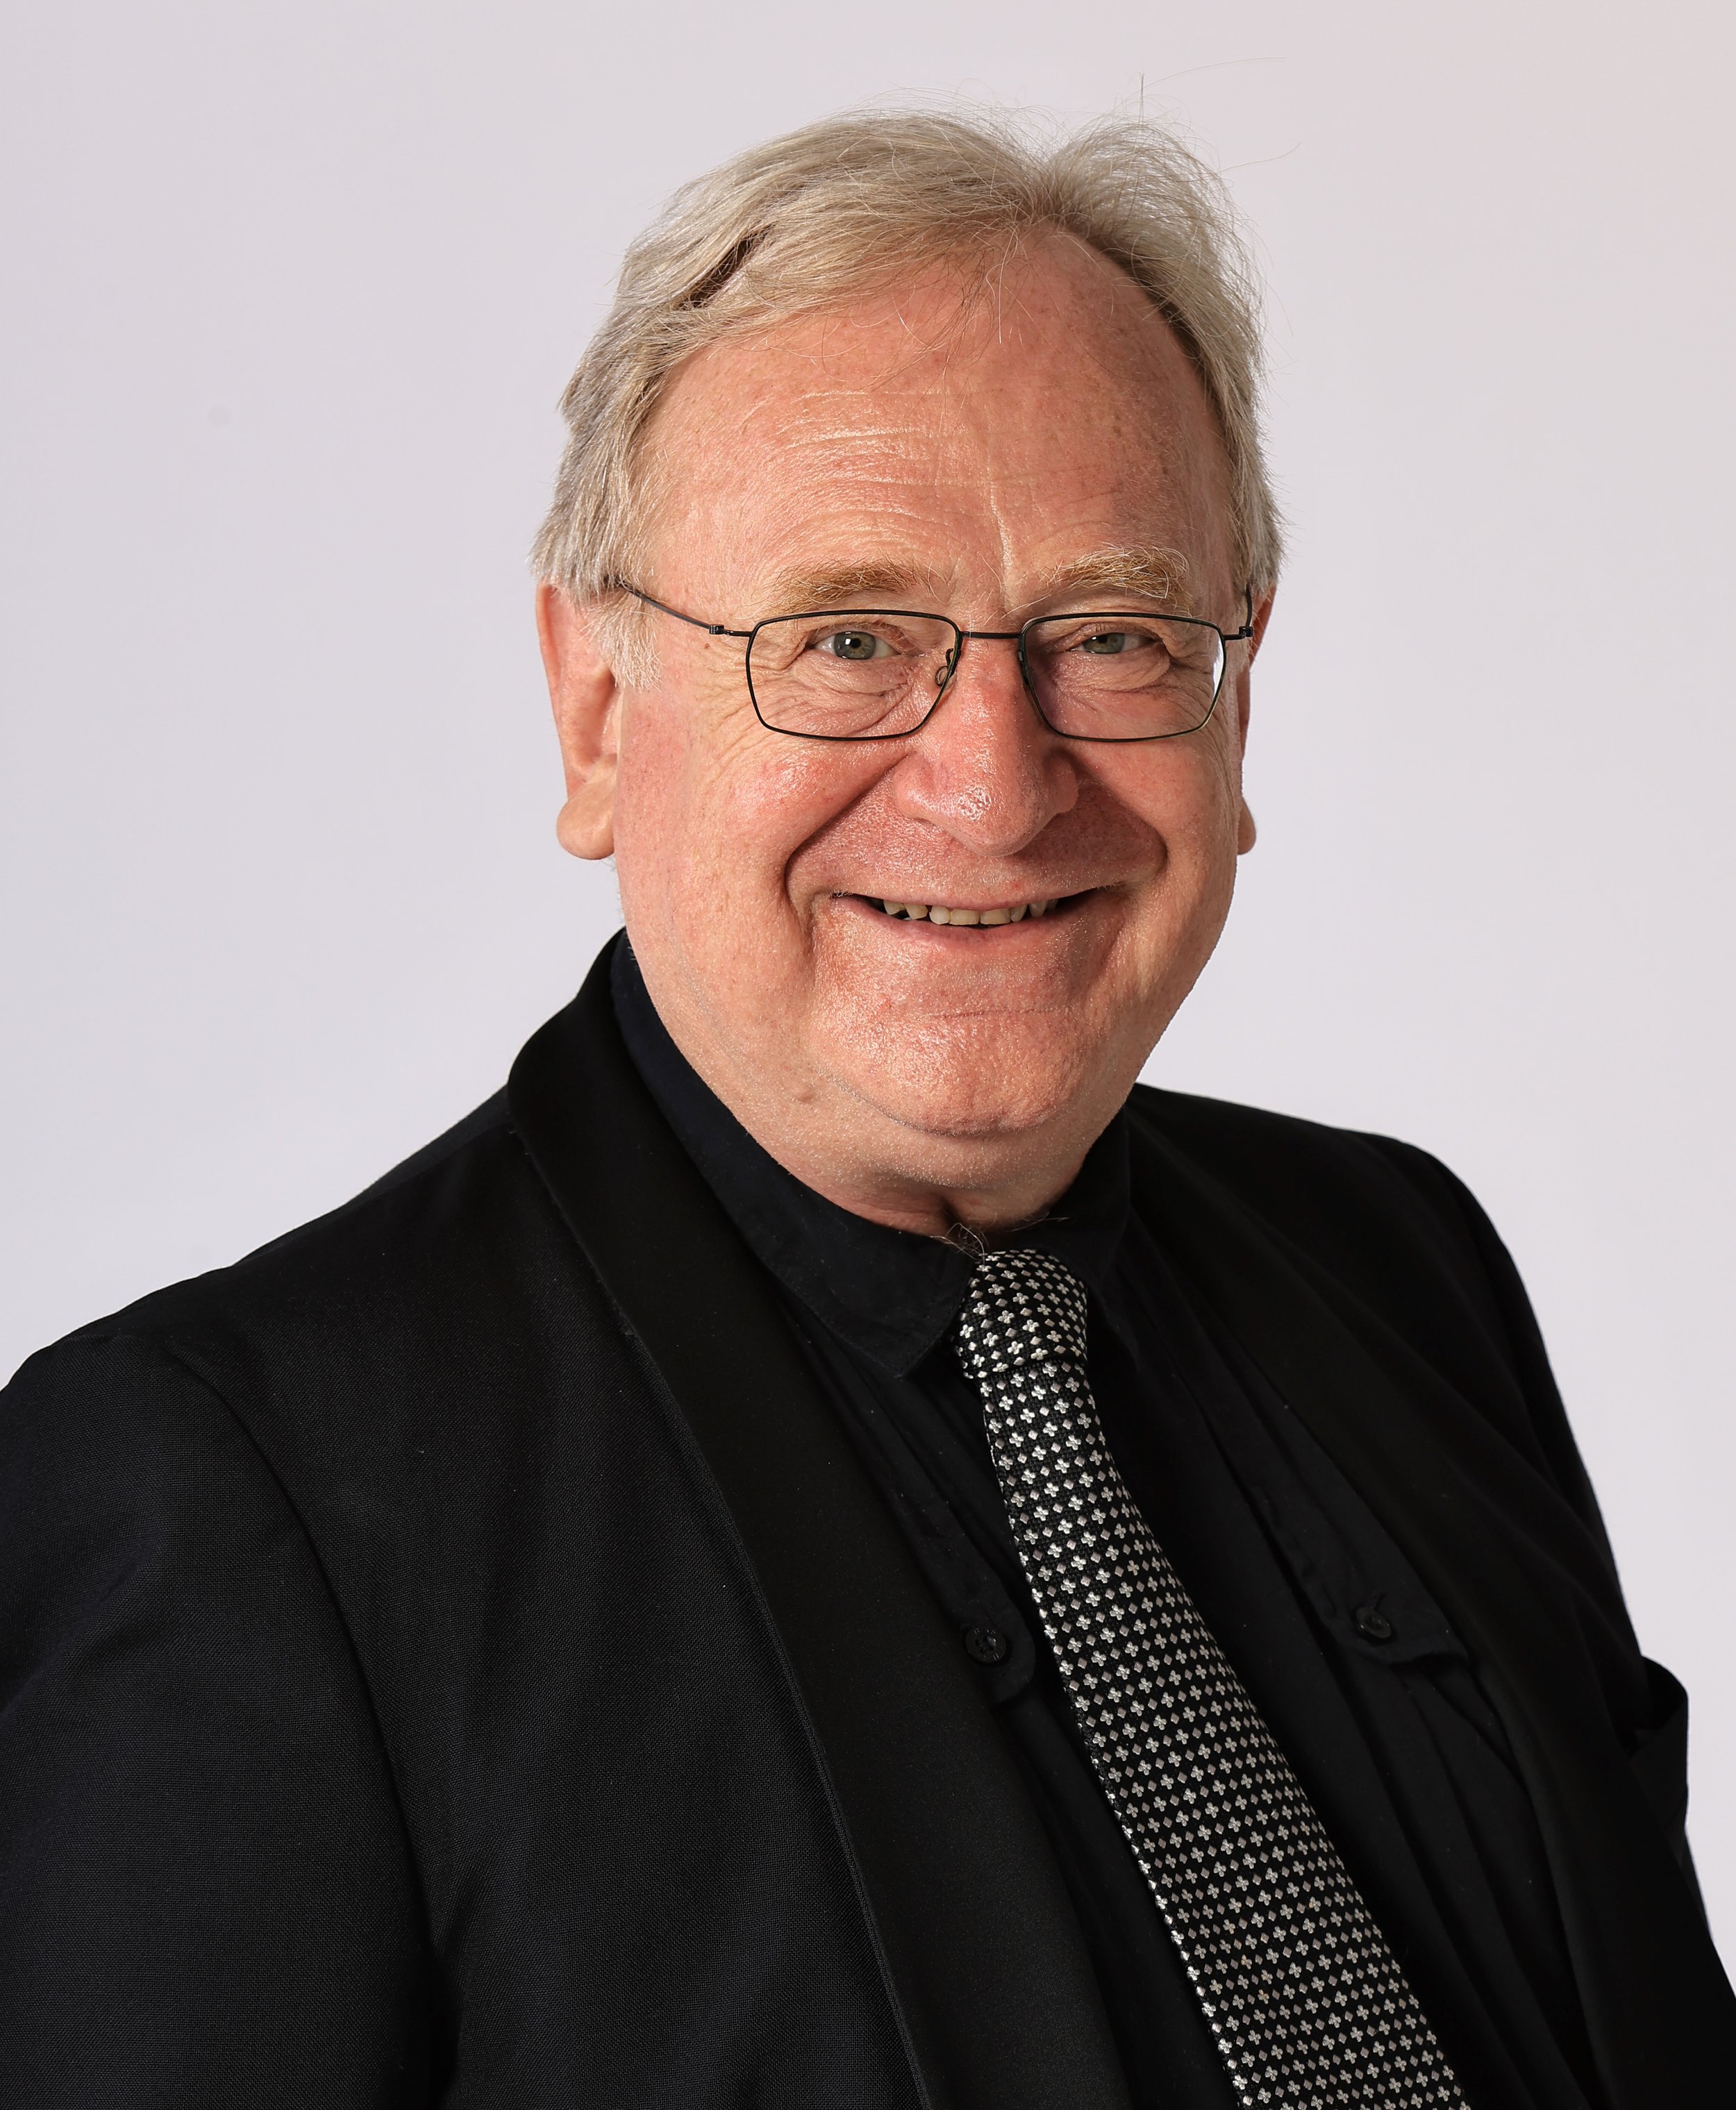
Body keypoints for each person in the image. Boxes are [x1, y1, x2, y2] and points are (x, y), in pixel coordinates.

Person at [1, 109, 1728, 2110]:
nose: (993, 787)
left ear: (1232, 703)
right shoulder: (233, 1496)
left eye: (1109, 635)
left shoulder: (1402, 1269)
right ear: (595, 712)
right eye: (844, 640)